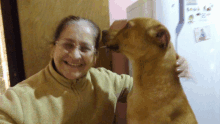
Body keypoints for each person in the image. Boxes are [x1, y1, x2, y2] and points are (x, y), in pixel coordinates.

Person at [0, 15, 190, 124]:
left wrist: (172, 65)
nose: (75, 55)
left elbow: (151, 89)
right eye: (67, 45)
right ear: (53, 48)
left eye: (84, 48)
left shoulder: (107, 80)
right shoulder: (20, 99)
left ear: (95, 57)